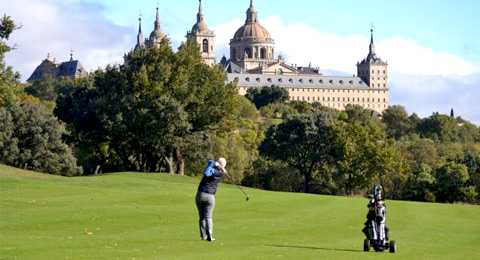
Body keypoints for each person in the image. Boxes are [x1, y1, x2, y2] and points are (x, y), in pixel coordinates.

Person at [195, 158, 227, 241]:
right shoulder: (220, 171)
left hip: (201, 194)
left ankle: (204, 236)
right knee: (208, 217)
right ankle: (209, 234)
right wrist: (214, 164)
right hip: (210, 197)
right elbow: (209, 161)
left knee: (202, 217)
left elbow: (206, 173)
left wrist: (212, 164)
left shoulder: (216, 171)